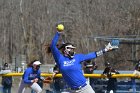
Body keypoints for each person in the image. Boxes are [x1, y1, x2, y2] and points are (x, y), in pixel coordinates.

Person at [50, 24, 119, 93]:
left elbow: (92, 55)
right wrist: (58, 33)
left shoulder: (77, 57)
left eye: (73, 49)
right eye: (71, 49)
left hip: (85, 88)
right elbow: (52, 46)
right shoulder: (60, 59)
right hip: (72, 90)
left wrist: (105, 50)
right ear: (65, 50)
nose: (73, 51)